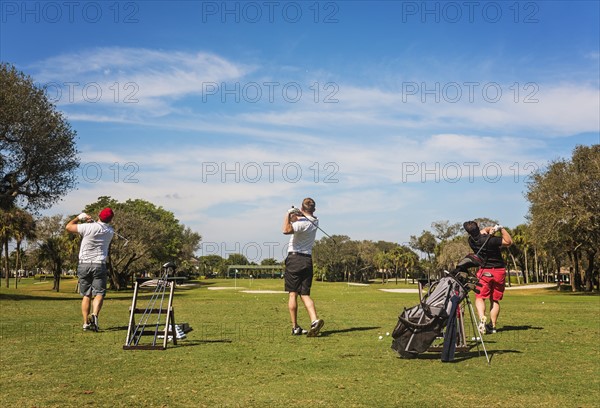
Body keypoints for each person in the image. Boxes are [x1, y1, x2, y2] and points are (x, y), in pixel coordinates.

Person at [66, 208, 115, 332]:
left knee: (86, 294)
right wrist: (92, 223)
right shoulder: (110, 231)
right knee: (99, 293)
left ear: (99, 215)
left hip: (84, 264)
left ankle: (85, 323)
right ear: (110, 219)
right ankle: (95, 315)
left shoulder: (88, 227)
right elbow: (99, 227)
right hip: (99, 264)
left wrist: (79, 217)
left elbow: (68, 227)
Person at [282, 197, 324, 337]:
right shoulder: (315, 221)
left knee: (293, 293)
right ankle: (314, 320)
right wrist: (298, 215)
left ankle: (295, 327)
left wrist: (288, 214)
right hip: (307, 260)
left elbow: (286, 230)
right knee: (305, 294)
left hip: (294, 259)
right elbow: (302, 219)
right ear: (314, 209)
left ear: (302, 207)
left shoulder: (301, 224)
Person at [463, 220, 512, 334]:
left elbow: (483, 233)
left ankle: (482, 319)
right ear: (478, 226)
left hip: (484, 271)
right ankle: (493, 326)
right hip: (498, 271)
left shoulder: (471, 240)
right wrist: (501, 229)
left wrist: (491, 229)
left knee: (480, 297)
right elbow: (508, 242)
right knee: (494, 299)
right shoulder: (491, 240)